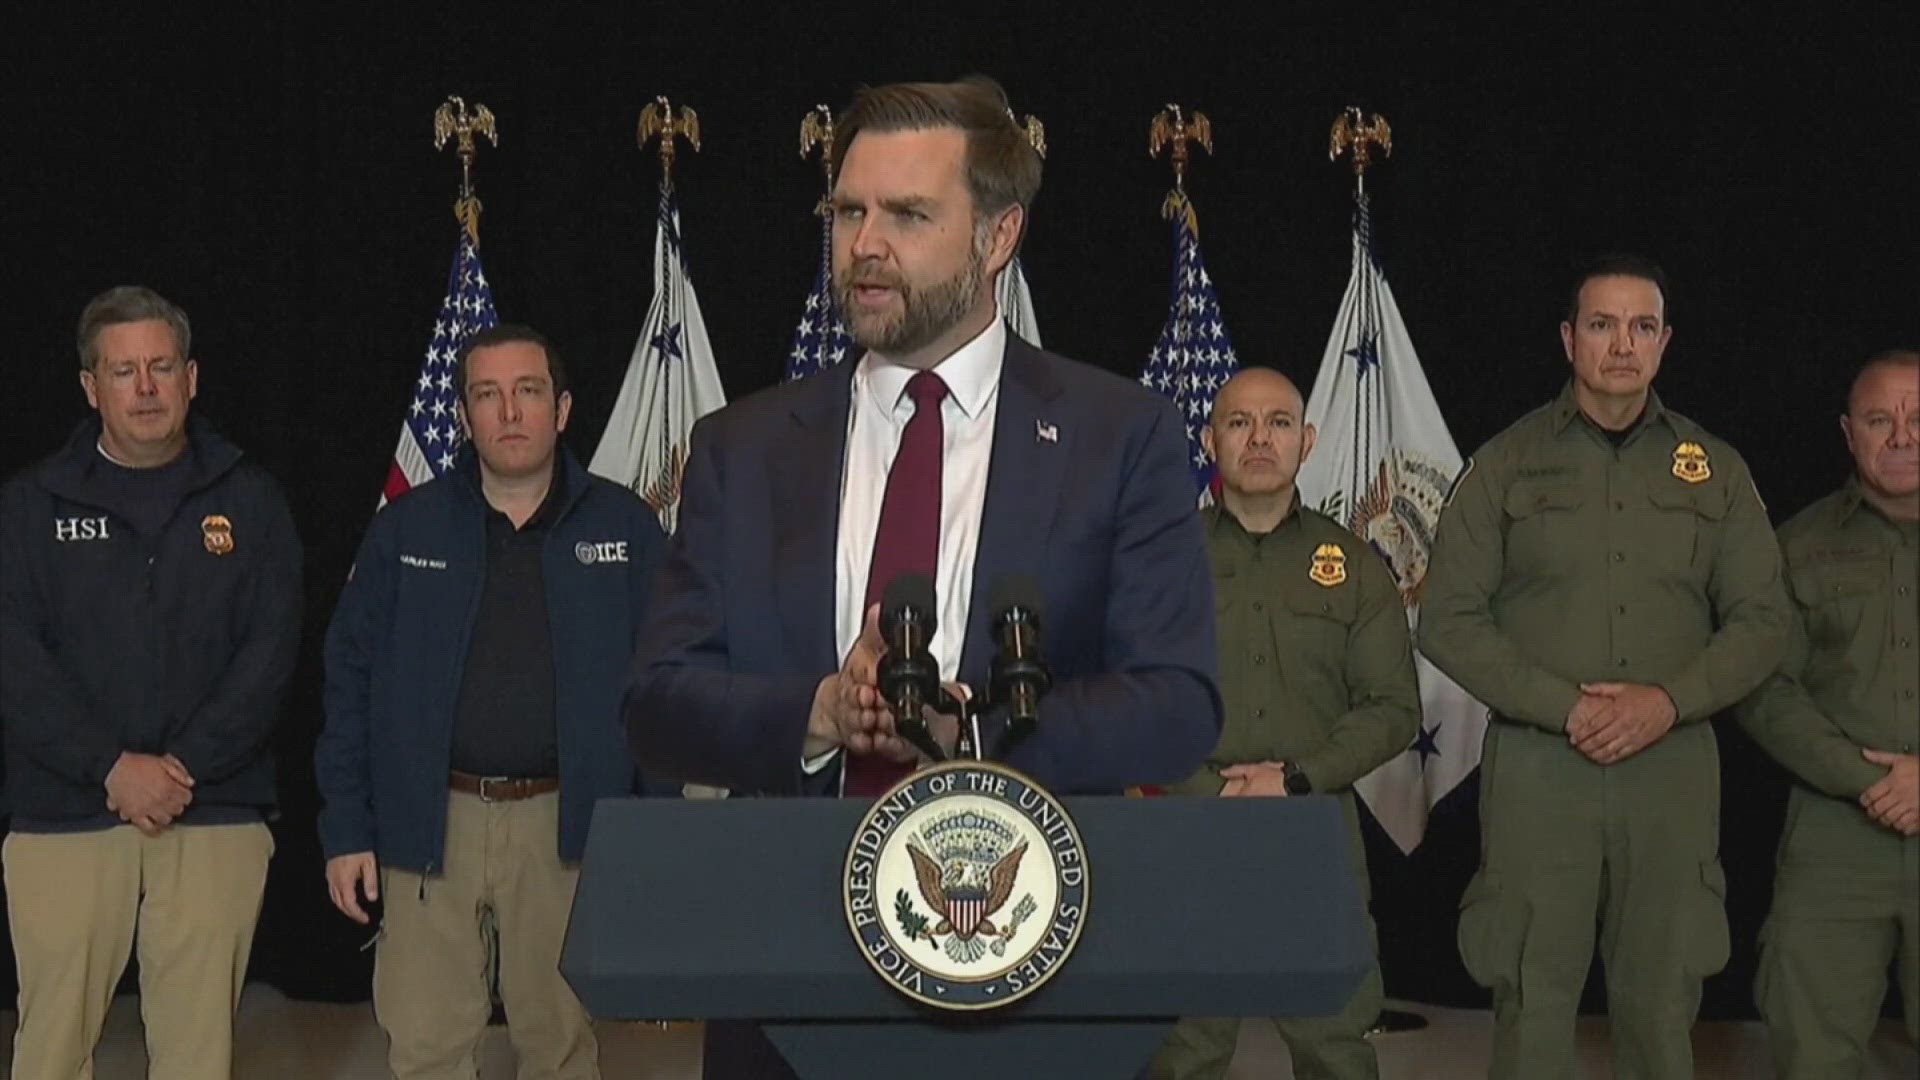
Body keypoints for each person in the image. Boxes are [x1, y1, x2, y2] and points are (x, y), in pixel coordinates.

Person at [627, 77, 1220, 1076]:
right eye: (848, 212)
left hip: (1032, 955)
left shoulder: (1119, 438)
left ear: (998, 236)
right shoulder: (743, 448)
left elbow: (1178, 706)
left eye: (907, 215)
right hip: (788, 969)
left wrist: (975, 739)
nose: (864, 244)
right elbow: (656, 705)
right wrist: (820, 713)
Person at [1417, 254, 1790, 1080]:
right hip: (1541, 768)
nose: (1622, 344)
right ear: (1568, 338)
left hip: (1671, 766)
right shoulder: (1505, 463)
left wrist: (1669, 701)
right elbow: (1447, 620)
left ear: (1664, 342)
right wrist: (1567, 708)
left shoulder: (1716, 470)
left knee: (1662, 996)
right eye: (1602, 325)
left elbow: (1766, 620)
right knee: (1532, 992)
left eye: (1641, 326)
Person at [317, 324, 667, 1080]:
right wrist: (346, 826)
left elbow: (665, 691)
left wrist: (652, 837)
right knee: (426, 1047)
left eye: (528, 391)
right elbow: (347, 679)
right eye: (487, 394)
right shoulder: (405, 529)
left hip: (569, 828)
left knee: (561, 1048)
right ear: (464, 416)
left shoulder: (626, 529)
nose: (509, 412)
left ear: (562, 409)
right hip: (427, 823)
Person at [0, 285, 301, 1079]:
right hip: (65, 810)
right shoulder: (28, 507)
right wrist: (109, 767)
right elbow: (14, 660)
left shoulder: (251, 500)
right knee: (51, 1048)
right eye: (123, 370)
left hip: (214, 807)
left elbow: (269, 655)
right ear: (90, 386)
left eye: (161, 367)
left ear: (190, 378)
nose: (144, 388)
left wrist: (183, 767)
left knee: (198, 1054)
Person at [1146, 368, 1420, 1080]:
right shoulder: (1161, 561)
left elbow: (1394, 708)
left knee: (1336, 1048)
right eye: (1239, 423)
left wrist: (1295, 778)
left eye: (1278, 423)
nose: (1260, 439)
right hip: (1192, 829)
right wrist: (1207, 789)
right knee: (1182, 1052)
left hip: (1312, 830)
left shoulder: (1354, 566)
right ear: (1209, 441)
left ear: (1308, 440)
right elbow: (1131, 696)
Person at [1737, 349, 1918, 1078]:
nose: (1902, 436)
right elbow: (1764, 686)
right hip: (1838, 833)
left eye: (1919, 418)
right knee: (1812, 1047)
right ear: (1849, 433)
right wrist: (1867, 781)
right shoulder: (1797, 546)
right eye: (1880, 420)